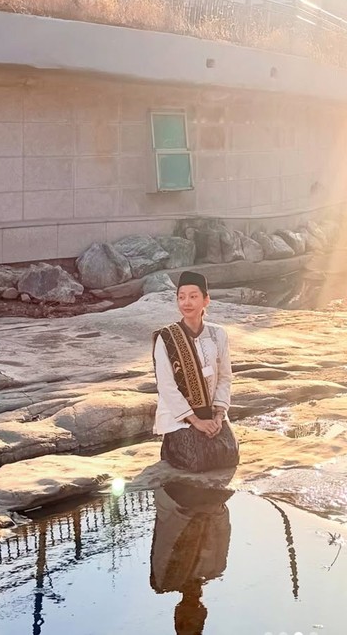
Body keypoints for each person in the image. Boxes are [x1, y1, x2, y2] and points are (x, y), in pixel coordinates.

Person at [153, 270, 239, 472]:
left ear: (206, 300)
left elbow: (225, 377)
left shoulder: (218, 334)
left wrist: (218, 416)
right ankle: (170, 446)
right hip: (180, 418)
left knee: (229, 454)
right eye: (181, 297)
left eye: (193, 296)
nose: (186, 303)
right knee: (198, 460)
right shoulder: (166, 338)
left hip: (211, 412)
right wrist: (196, 421)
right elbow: (166, 386)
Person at [150, 482, 233, 635]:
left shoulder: (164, 581)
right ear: (203, 614)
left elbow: (166, 537)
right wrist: (216, 510)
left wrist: (192, 512)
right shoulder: (216, 568)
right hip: (210, 502)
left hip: (176, 502)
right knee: (222, 489)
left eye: (181, 623)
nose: (187, 618)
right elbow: (224, 530)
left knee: (192, 492)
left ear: (176, 613)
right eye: (192, 623)